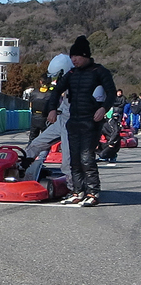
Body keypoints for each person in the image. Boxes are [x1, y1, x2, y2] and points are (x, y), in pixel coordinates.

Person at [46, 35, 116, 207]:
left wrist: (103, 108)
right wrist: (52, 109)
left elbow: (112, 93)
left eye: (76, 56)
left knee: (86, 157)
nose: (73, 60)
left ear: (85, 55)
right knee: (74, 159)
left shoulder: (99, 72)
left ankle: (93, 192)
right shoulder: (71, 74)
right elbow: (56, 91)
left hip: (91, 121)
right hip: (73, 121)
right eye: (72, 57)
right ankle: (78, 191)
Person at [25, 54, 75, 194]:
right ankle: (19, 171)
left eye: (55, 77)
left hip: (73, 123)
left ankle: (75, 190)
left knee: (67, 160)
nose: (54, 80)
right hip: (61, 119)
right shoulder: (64, 86)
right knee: (36, 144)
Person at [28, 75, 52, 141]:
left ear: (40, 82)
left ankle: (30, 150)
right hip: (45, 118)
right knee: (46, 140)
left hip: (34, 117)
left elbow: (30, 105)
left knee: (32, 138)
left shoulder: (34, 93)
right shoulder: (51, 94)